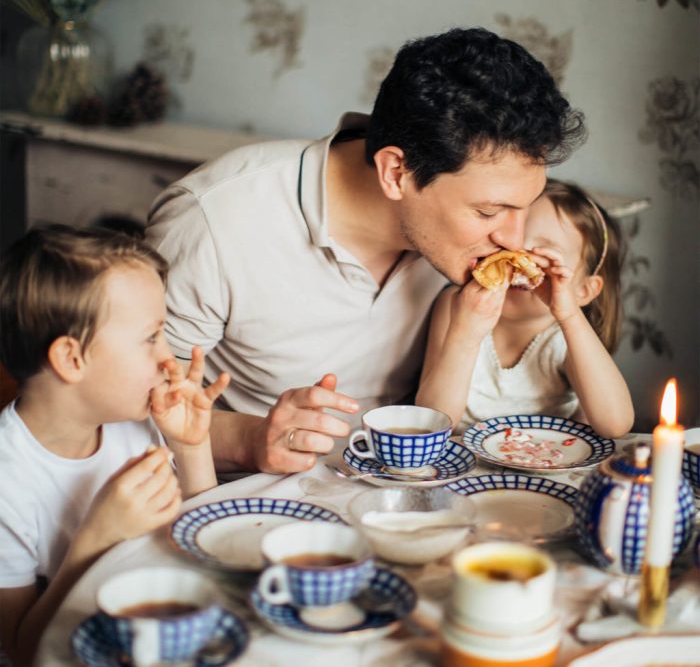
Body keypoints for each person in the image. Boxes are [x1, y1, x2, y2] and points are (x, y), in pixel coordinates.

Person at [146, 27, 586, 474]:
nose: (514, 239)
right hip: (259, 502)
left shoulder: (461, 244)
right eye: (489, 211)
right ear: (396, 172)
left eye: (524, 209)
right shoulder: (213, 220)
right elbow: (133, 407)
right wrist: (252, 439)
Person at [0, 225, 229, 666]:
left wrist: (191, 446)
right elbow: (26, 651)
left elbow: (200, 552)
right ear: (72, 360)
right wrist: (96, 538)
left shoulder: (129, 425)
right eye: (151, 337)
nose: (170, 358)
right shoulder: (8, 482)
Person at [416, 179, 634, 439]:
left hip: (545, 465)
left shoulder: (565, 337)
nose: (519, 262)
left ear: (583, 291)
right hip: (466, 465)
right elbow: (431, 423)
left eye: (544, 255)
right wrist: (465, 334)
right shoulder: (457, 307)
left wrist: (570, 315)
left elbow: (616, 425)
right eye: (511, 247)